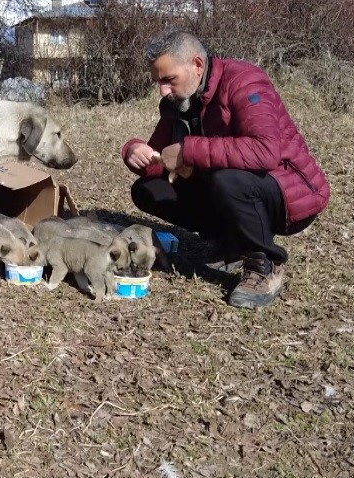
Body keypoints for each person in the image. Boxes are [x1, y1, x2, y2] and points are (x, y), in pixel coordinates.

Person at [121, 30, 330, 308]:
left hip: (289, 192)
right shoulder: (177, 103)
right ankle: (230, 243)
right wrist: (135, 151)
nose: (163, 90)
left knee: (227, 179)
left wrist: (188, 150)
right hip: (233, 187)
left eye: (169, 80)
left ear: (197, 65)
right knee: (147, 190)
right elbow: (160, 161)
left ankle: (264, 264)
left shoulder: (245, 81)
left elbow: (265, 152)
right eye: (158, 81)